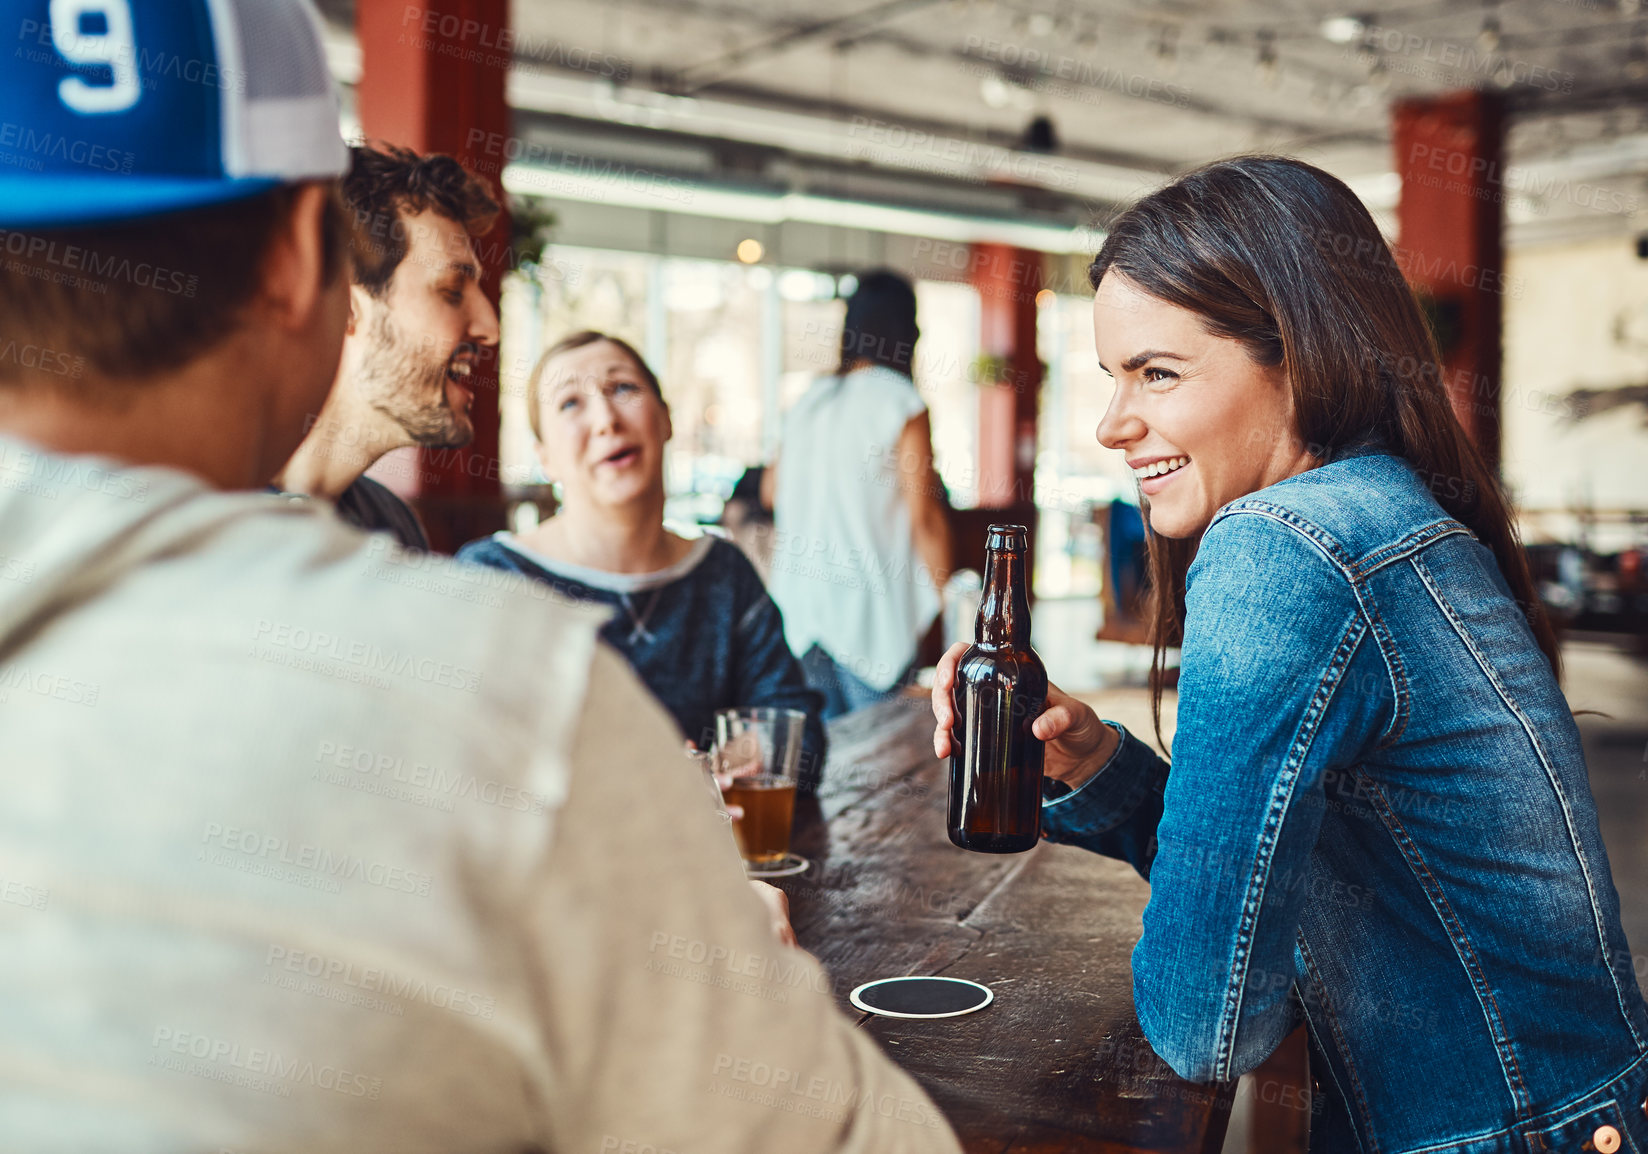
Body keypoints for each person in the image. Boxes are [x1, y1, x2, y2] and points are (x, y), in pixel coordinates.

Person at [0, 4, 958, 1151]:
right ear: (310, 262)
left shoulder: (390, 548)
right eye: (455, 287)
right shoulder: (501, 682)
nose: (489, 321)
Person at [932, 157, 1648, 1154]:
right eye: (1113, 376)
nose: (1112, 423)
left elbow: (1205, 1021)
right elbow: (1307, 888)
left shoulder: (1282, 543)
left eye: (1156, 372)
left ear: (1299, 357)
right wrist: (1105, 775)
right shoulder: (1385, 508)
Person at [457, 332, 827, 784]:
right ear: (545, 458)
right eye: (570, 403)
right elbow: (467, 766)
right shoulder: (491, 578)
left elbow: (800, 734)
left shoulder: (723, 573)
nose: (606, 420)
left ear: (666, 419)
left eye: (623, 388)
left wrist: (719, 767)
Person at [275, 141, 502, 550]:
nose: (490, 328)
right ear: (345, 306)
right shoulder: (202, 526)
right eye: (452, 290)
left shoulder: (393, 524)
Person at [764, 271, 952, 719]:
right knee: (881, 765)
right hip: (871, 613)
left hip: (800, 611)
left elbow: (771, 491)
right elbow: (922, 516)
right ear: (907, 332)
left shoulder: (810, 400)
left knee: (821, 765)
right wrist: (956, 603)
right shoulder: (900, 401)